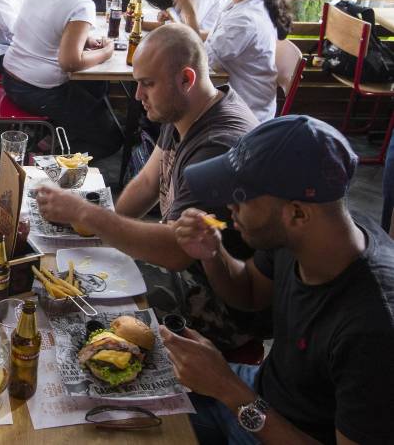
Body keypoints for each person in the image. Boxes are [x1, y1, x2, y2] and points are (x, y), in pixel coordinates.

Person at [164, 115, 394, 444]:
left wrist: (228, 389)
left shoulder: (374, 328)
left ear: (297, 213)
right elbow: (250, 293)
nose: (229, 208)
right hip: (261, 392)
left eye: (241, 196)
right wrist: (212, 254)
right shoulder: (308, 235)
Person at [36, 24, 265, 351]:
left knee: (73, 314)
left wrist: (88, 215)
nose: (138, 96)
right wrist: (102, 233)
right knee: (62, 264)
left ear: (186, 80)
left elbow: (175, 251)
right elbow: (146, 182)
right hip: (186, 266)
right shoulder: (186, 110)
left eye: (147, 84)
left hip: (216, 301)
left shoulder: (218, 145)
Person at [3, 0, 122, 159]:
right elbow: (70, 62)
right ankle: (42, 162)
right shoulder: (81, 3)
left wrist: (83, 38)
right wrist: (106, 52)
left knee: (96, 88)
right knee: (112, 138)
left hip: (10, 77)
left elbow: (45, 24)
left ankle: (54, 139)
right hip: (37, 90)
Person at [176, 0, 292, 122]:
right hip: (236, 99)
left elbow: (203, 61)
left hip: (245, 112)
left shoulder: (246, 19)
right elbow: (215, 38)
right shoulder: (243, 5)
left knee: (173, 93)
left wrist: (190, 14)